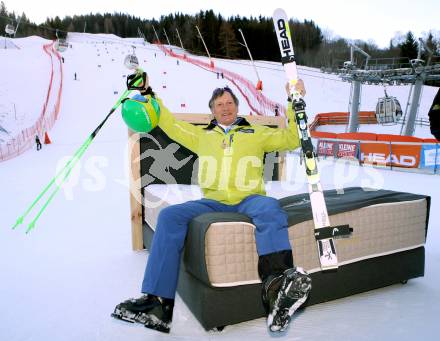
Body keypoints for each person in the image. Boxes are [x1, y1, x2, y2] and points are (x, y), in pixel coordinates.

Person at [112, 74, 311, 334]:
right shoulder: (200, 137)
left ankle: (276, 289)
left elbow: (293, 138)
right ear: (212, 111)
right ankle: (158, 304)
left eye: (229, 102)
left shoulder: (258, 133)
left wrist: (294, 100)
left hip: (249, 198)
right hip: (213, 201)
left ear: (237, 107)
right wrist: (150, 95)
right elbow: (167, 122)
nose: (225, 107)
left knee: (271, 208)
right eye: (219, 104)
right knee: (170, 215)